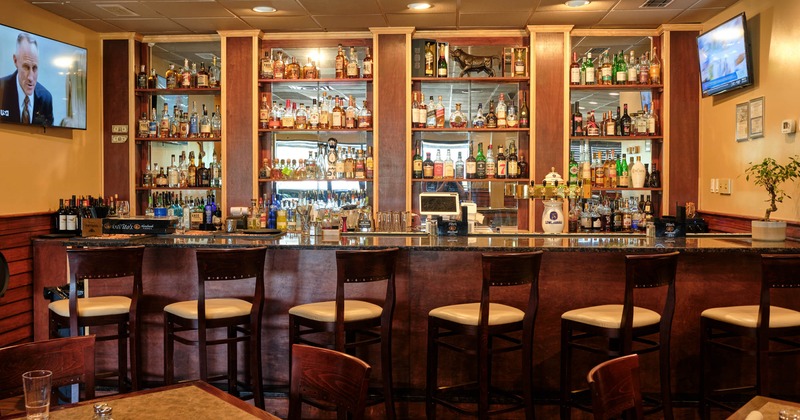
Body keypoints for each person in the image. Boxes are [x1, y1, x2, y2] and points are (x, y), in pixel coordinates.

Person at [0, 32, 53, 126]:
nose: (30, 78)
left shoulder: (46, 99)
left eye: (35, 68)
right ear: (15, 61)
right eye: (26, 67)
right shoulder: (1, 90)